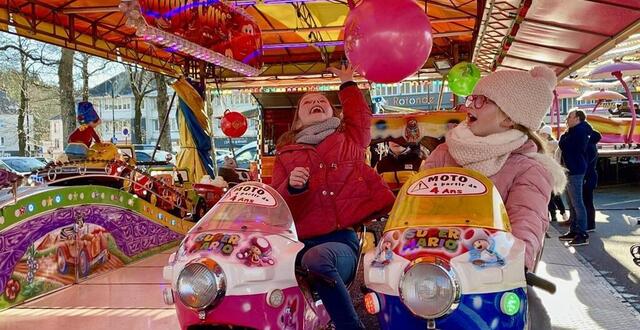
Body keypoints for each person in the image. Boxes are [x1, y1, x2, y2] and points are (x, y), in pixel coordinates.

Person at [271, 65, 395, 330]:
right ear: (298, 120)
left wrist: (348, 83)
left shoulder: (349, 139)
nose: (315, 102)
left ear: (334, 111)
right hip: (295, 243)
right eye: (308, 102)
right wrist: (292, 189)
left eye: (321, 101)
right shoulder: (284, 155)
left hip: (339, 241)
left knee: (317, 258)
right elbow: (276, 206)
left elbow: (360, 117)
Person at [421, 66, 566, 271]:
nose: (470, 105)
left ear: (509, 118)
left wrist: (518, 261)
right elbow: (418, 203)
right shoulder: (444, 152)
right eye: (472, 98)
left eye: (482, 100)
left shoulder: (528, 169)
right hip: (430, 266)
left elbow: (526, 217)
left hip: (489, 273)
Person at [559, 109, 591, 246]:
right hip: (570, 170)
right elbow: (563, 142)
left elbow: (565, 145)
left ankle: (582, 233)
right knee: (571, 203)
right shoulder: (573, 131)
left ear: (577, 118)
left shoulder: (580, 131)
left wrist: (563, 139)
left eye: (569, 117)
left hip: (576, 170)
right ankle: (574, 230)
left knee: (577, 203)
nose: (567, 119)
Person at [538, 125, 569, 222]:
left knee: (553, 194)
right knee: (551, 195)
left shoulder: (553, 144)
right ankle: (555, 214)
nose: (543, 135)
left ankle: (560, 212)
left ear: (548, 134)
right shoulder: (542, 144)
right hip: (545, 171)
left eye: (544, 134)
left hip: (552, 171)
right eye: (542, 134)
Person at [584, 123, 601, 232]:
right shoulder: (593, 146)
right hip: (592, 176)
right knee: (588, 201)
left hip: (588, 176)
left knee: (587, 201)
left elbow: (586, 163)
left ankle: (590, 224)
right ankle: (590, 223)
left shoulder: (589, 147)